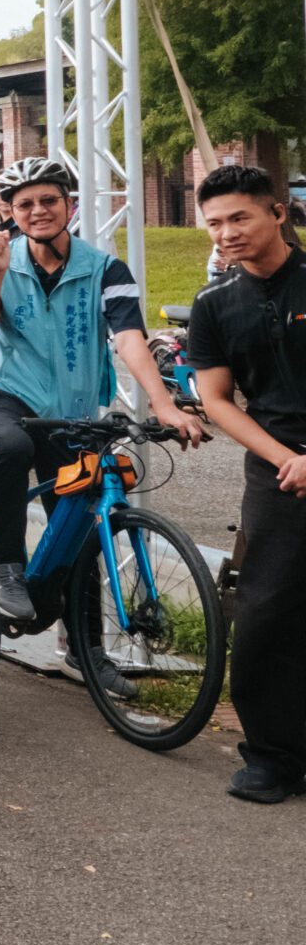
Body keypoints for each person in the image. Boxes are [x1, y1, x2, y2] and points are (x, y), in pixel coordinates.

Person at [0, 156, 198, 686]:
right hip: (7, 393)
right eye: (25, 204)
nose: (38, 211)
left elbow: (130, 337)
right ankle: (7, 568)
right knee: (14, 451)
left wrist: (162, 403)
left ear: (69, 205)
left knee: (80, 521)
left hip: (71, 411)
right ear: (12, 213)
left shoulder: (103, 267)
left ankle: (86, 648)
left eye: (49, 200)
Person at [185, 163, 306, 804]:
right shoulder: (213, 304)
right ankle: (272, 757)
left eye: (239, 217)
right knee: (263, 613)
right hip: (277, 470)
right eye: (214, 223)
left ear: (277, 213)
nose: (226, 233)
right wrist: (286, 458)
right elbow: (217, 399)